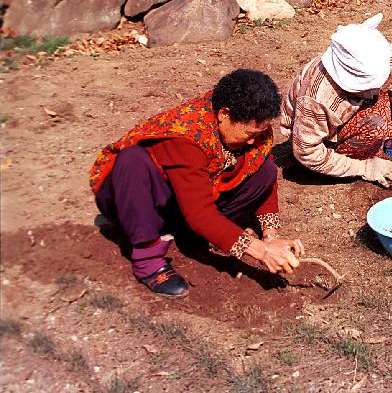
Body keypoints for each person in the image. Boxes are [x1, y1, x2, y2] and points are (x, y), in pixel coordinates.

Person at [90, 69, 304, 298]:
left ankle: (197, 234)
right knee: (133, 160)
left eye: (257, 133)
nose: (253, 139)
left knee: (265, 169)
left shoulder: (250, 126)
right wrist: (260, 252)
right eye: (248, 133)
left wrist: (270, 235)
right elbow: (199, 212)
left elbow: (264, 174)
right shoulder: (188, 137)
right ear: (224, 114)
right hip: (143, 202)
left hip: (182, 204)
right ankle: (148, 259)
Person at [281, 14, 392, 187]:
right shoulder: (317, 97)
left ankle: (389, 137)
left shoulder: (386, 58)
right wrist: (363, 167)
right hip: (324, 139)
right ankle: (369, 148)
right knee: (375, 122)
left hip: (352, 114)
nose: (377, 91)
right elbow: (307, 152)